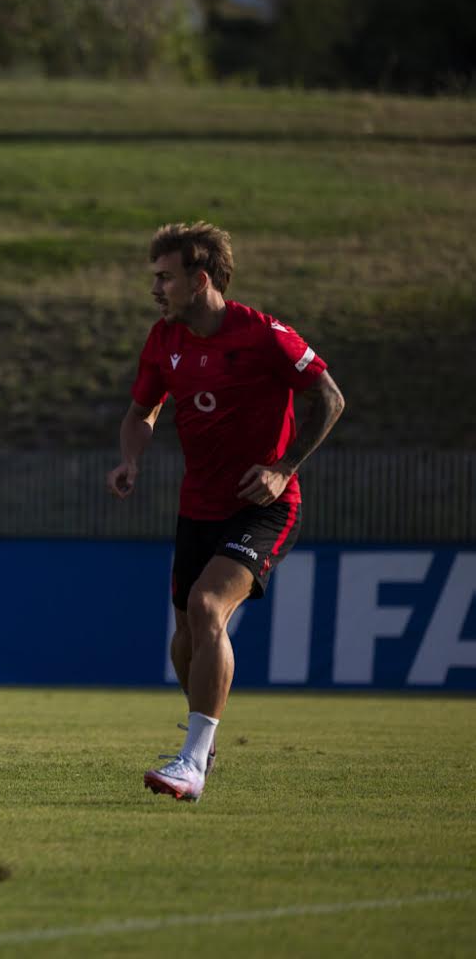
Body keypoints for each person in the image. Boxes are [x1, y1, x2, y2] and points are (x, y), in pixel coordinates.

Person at [108, 222, 345, 802]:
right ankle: (201, 745)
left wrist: (284, 467)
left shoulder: (265, 335)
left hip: (263, 506)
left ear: (201, 279)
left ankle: (191, 763)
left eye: (165, 277)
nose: (156, 289)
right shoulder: (163, 340)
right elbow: (142, 412)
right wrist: (130, 461)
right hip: (198, 506)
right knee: (185, 632)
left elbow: (330, 398)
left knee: (207, 604)